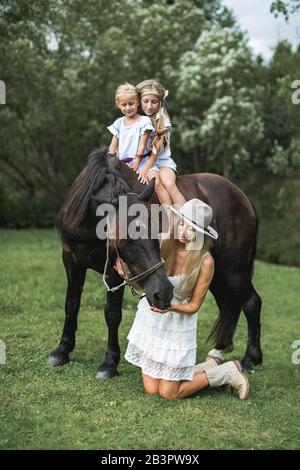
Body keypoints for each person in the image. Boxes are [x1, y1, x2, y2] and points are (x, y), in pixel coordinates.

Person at [115, 199, 249, 400]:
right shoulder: (161, 243)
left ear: (201, 234)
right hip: (152, 321)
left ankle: (226, 372)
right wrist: (127, 278)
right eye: (181, 224)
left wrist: (170, 308)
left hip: (176, 324)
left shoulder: (205, 261)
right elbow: (148, 289)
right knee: (152, 390)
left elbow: (194, 306)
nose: (184, 232)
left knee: (169, 393)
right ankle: (210, 365)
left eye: (192, 229)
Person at [135, 79, 186, 208]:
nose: (149, 106)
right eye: (145, 101)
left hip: (161, 161)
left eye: (154, 102)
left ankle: (187, 218)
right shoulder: (136, 119)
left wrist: (145, 169)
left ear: (160, 102)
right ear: (140, 102)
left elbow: (156, 151)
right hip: (141, 161)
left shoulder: (163, 120)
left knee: (169, 184)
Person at [107, 83, 154, 168]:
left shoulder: (144, 121)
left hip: (141, 163)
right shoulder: (118, 123)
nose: (128, 108)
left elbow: (142, 145)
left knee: (150, 179)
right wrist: (110, 159)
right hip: (121, 164)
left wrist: (136, 164)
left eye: (131, 103)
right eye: (124, 105)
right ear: (118, 105)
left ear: (138, 102)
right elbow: (113, 146)